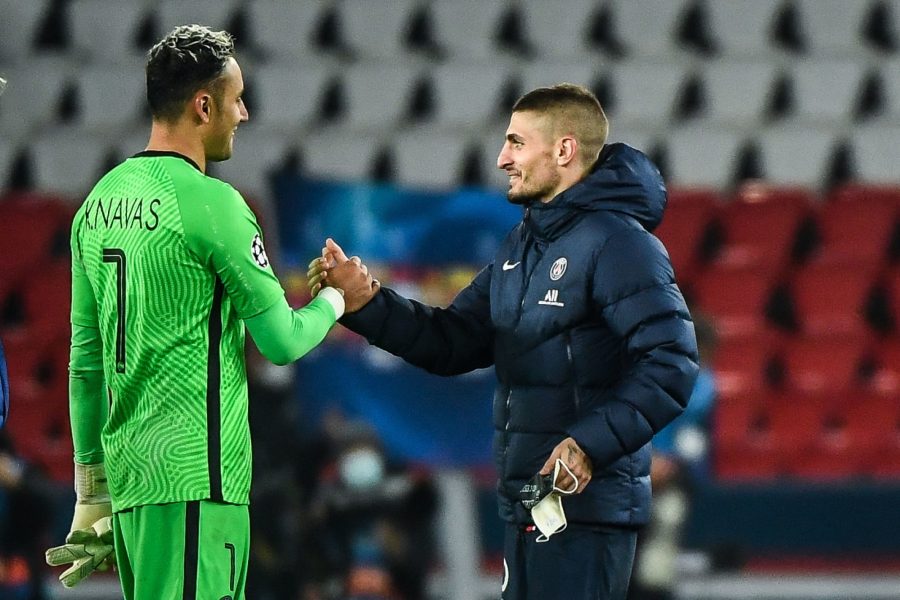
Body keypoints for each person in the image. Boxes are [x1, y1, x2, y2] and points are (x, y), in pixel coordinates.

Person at [309, 83, 699, 600]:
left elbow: (671, 362)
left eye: (517, 142)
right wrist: (368, 305)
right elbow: (452, 342)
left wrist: (588, 445)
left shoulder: (621, 243)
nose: (501, 158)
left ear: (563, 150)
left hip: (586, 512)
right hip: (532, 506)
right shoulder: (522, 246)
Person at [43, 25, 373, 600]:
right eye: (236, 99)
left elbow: (85, 367)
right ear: (203, 106)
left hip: (133, 489)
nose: (243, 113)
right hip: (198, 479)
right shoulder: (215, 204)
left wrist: (92, 494)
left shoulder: (96, 205)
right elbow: (281, 342)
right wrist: (338, 298)